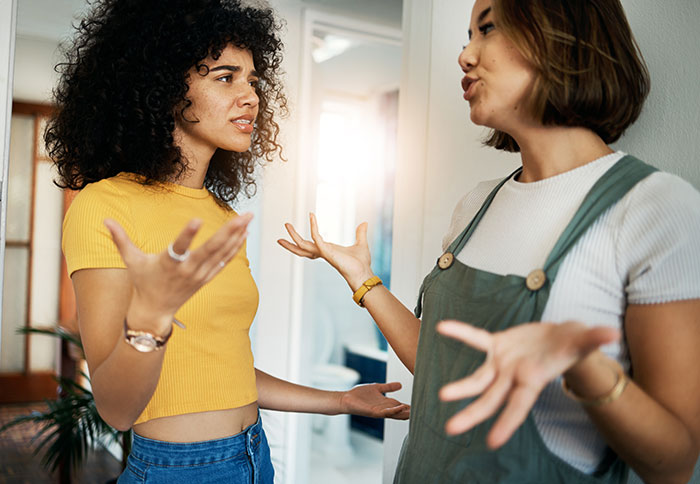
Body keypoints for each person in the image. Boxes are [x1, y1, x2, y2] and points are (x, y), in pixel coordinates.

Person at [278, 0, 700, 482]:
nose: (465, 56)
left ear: (562, 34)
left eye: (488, 29)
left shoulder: (654, 207)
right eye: (466, 37)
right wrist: (362, 279)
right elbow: (442, 367)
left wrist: (583, 367)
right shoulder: (476, 206)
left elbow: (675, 462)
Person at [47, 1, 409, 482]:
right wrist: (152, 315)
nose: (251, 97)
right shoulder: (105, 204)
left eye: (253, 81)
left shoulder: (222, 217)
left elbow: (226, 375)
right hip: (178, 469)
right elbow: (116, 409)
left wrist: (339, 401)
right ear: (162, 88)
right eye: (225, 77)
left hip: (255, 456)